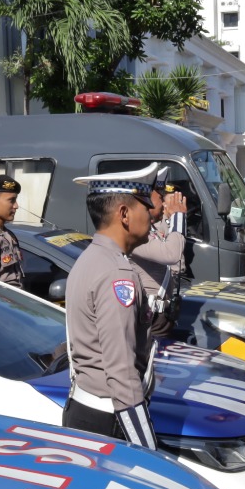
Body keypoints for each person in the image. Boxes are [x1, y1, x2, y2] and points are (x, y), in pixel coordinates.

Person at [63, 167, 159, 449]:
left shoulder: (91, 258)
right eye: (146, 207)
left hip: (89, 407)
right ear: (124, 214)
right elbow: (121, 372)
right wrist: (147, 451)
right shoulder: (116, 273)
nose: (152, 215)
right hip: (111, 418)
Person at [130, 168, 189, 339]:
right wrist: (178, 217)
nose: (164, 204)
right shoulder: (135, 235)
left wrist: (172, 219)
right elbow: (172, 254)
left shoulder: (152, 228)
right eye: (160, 199)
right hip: (149, 317)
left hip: (161, 314)